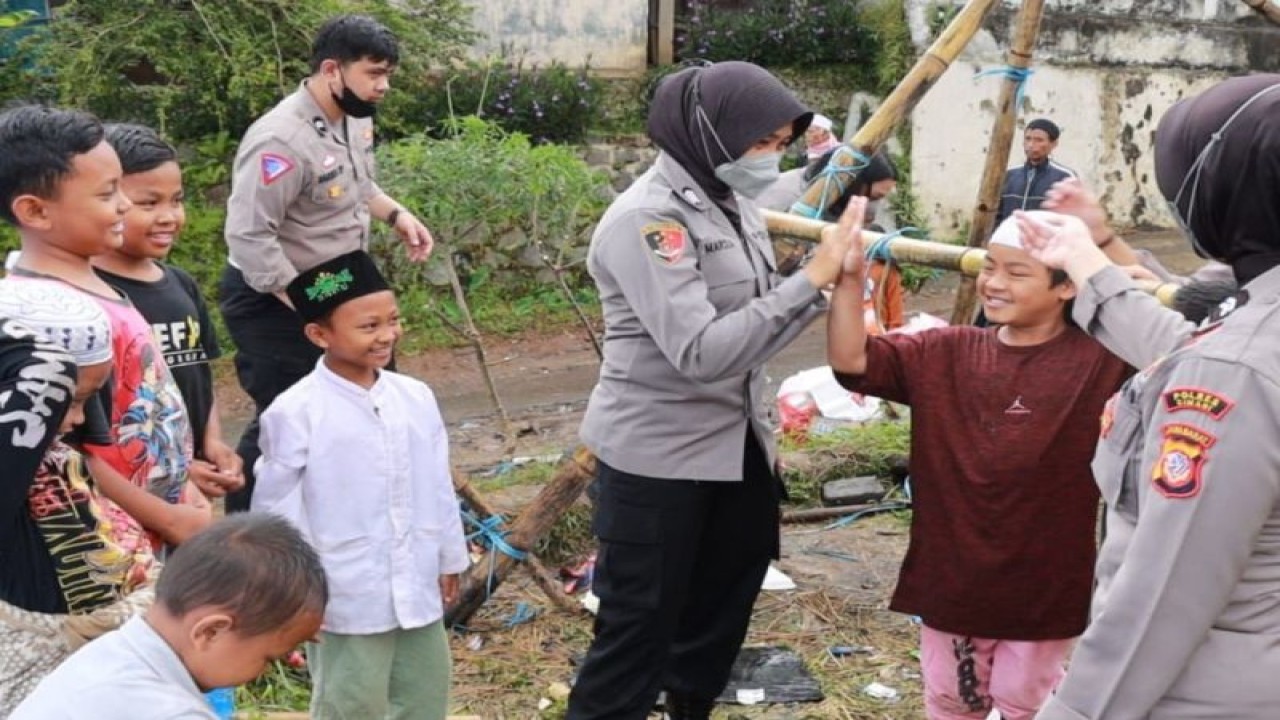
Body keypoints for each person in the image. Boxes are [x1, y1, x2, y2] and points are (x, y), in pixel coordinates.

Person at [567, 61, 856, 720]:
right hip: (659, 463)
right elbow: (703, 353)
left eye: (780, 144)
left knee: (716, 623)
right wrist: (810, 281)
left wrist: (823, 170)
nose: (770, 156)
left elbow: (773, 203)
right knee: (637, 637)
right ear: (710, 134)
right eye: (762, 142)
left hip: (738, 450)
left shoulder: (727, 198)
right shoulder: (647, 222)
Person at [1011, 74, 1280, 720]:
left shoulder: (1236, 369)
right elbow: (1191, 350)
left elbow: (1164, 596)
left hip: (1203, 695)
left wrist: (1074, 713)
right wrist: (1089, 261)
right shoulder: (1252, 335)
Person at [827, 202, 1133, 720]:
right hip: (954, 576)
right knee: (952, 700)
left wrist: (1111, 260)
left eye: (1017, 272)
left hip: (1045, 581)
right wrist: (850, 280)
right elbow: (852, 361)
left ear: (1066, 287)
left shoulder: (1102, 360)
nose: (994, 282)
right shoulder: (945, 352)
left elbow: (1179, 335)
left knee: (1027, 700)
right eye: (989, 266)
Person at [220, 13, 435, 512]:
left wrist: (397, 215)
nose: (382, 87)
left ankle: (357, 509)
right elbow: (250, 237)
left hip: (336, 280)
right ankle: (250, 535)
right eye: (374, 74)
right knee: (291, 412)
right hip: (273, 294)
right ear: (332, 70)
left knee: (372, 386)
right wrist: (309, 307)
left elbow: (357, 186)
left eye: (388, 76)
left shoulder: (354, 114)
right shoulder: (280, 140)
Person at [251, 249, 468, 720]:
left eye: (392, 320)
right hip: (342, 591)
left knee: (423, 694)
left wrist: (450, 555)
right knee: (351, 702)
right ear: (318, 334)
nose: (387, 335)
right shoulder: (295, 412)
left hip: (416, 577)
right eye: (369, 327)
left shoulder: (415, 397)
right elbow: (277, 512)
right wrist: (295, 590)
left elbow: (437, 484)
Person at [0, 103, 210, 554]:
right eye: (107, 193)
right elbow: (75, 451)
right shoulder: (52, 318)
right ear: (35, 211)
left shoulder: (97, 286)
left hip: (159, 525)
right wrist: (168, 517)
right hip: (114, 543)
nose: (124, 205)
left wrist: (181, 481)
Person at [0, 280, 157, 715]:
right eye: (65, 403)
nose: (78, 419)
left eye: (90, 399)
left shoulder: (56, 457)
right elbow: (43, 371)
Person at [11, 512, 327, 720]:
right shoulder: (167, 711)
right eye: (269, 658)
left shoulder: (113, 654)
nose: (262, 672)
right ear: (211, 631)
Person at [94, 123, 245, 502]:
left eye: (176, 200)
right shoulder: (95, 296)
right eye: (149, 203)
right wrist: (178, 466)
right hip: (133, 488)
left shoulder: (181, 284)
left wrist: (212, 444)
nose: (169, 216)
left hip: (189, 483)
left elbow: (200, 372)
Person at [804, 150, 905, 331]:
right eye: (874, 198)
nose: (873, 208)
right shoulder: (800, 203)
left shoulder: (882, 270)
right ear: (855, 184)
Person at [994, 118, 1075, 225]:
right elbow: (997, 214)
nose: (1031, 145)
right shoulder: (1009, 175)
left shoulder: (1065, 177)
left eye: (1039, 140)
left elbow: (1070, 219)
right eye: (1028, 139)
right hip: (1008, 239)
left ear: (1053, 144)